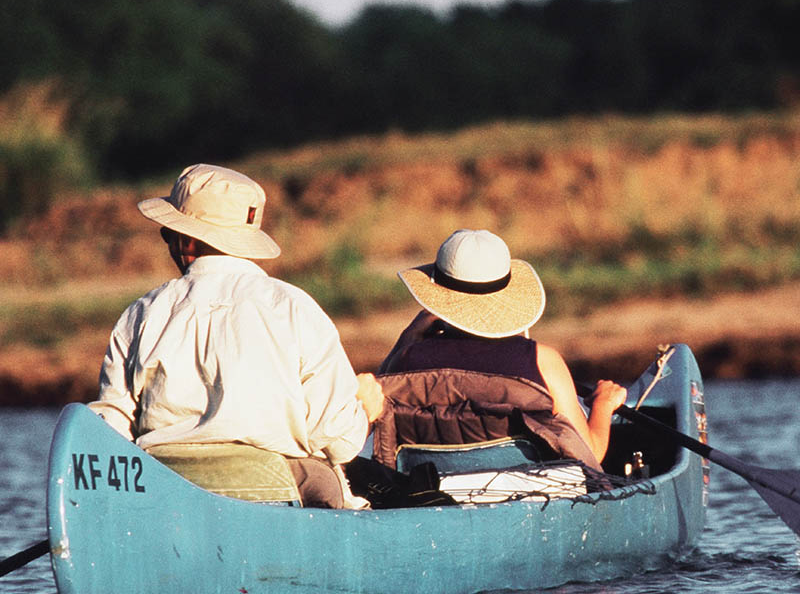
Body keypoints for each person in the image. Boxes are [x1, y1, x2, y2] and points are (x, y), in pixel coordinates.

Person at [88, 163, 383, 508]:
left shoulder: (140, 314)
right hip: (275, 489)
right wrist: (365, 410)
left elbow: (110, 432)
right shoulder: (295, 308)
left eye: (167, 233)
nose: (166, 241)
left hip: (167, 489)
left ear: (186, 240)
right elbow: (340, 442)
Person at [377, 228, 626, 467]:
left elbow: (377, 399)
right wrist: (603, 403)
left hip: (432, 497)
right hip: (531, 499)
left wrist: (407, 338)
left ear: (437, 296)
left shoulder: (406, 361)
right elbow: (590, 453)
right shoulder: (542, 360)